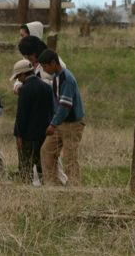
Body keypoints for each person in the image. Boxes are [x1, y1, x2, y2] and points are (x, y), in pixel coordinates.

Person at [38, 49, 85, 186]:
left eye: (46, 66)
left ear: (53, 63)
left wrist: (53, 124)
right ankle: (52, 183)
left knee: (70, 156)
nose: (45, 70)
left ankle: (74, 186)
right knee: (47, 150)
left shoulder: (67, 78)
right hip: (60, 123)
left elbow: (65, 105)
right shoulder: (56, 78)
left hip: (72, 123)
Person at [10, 59, 54, 184]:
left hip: (28, 135)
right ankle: (44, 183)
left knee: (26, 164)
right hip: (44, 133)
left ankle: (26, 185)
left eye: (19, 76)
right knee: (41, 163)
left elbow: (21, 115)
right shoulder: (46, 87)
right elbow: (51, 110)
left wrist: (18, 135)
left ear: (24, 74)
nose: (18, 79)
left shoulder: (24, 90)